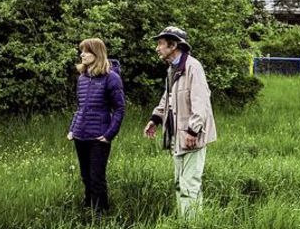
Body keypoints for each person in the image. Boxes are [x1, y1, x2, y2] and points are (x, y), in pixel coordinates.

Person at [143, 26, 216, 217]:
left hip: (191, 135)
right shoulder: (173, 69)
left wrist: (193, 131)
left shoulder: (192, 67)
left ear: (174, 45)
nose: (157, 48)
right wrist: (155, 119)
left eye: (160, 44)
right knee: (179, 182)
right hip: (177, 134)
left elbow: (201, 102)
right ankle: (186, 221)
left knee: (189, 183)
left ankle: (192, 228)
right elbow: (167, 98)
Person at [67, 38, 125, 212]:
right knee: (85, 176)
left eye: (86, 51)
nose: (82, 54)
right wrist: (72, 128)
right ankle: (88, 210)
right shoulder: (82, 78)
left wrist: (109, 134)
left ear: (97, 54)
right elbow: (81, 107)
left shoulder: (112, 78)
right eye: (82, 51)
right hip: (80, 135)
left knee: (96, 177)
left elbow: (120, 109)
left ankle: (100, 216)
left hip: (98, 137)